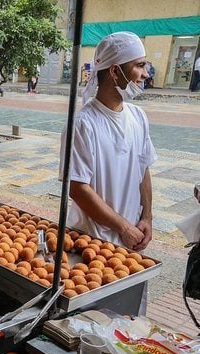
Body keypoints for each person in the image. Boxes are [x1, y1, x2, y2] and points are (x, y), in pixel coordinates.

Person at [60, 31, 156, 315]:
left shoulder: (138, 117)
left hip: (131, 243)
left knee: (128, 320)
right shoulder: (83, 124)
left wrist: (146, 217)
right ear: (115, 71)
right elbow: (78, 188)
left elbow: (144, 168)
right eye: (138, 65)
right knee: (94, 321)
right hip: (93, 244)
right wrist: (123, 227)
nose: (145, 73)